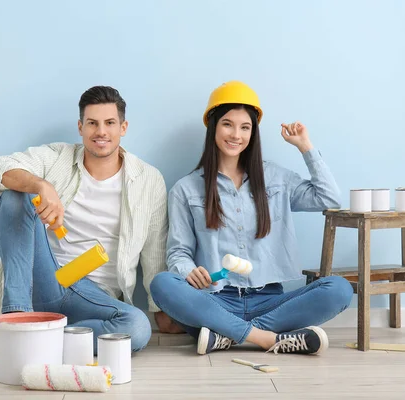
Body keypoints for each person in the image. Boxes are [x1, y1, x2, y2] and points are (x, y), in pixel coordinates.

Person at [0, 85, 183, 364]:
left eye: (110, 123)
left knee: (137, 327)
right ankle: (16, 316)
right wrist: (40, 184)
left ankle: (20, 335)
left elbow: (154, 249)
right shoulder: (58, 158)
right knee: (16, 194)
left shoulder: (149, 179)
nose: (101, 131)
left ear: (123, 127)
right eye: (92, 123)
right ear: (80, 127)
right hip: (45, 278)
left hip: (94, 299)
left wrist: (158, 307)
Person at [150, 81, 353, 356]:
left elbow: (329, 199)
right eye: (227, 124)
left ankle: (226, 335)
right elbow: (178, 253)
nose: (236, 135)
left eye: (245, 127)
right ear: (213, 126)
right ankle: (265, 338)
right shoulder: (185, 189)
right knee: (162, 283)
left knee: (339, 289)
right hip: (214, 301)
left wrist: (305, 147)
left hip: (270, 301)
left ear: (253, 133)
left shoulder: (277, 179)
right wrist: (189, 271)